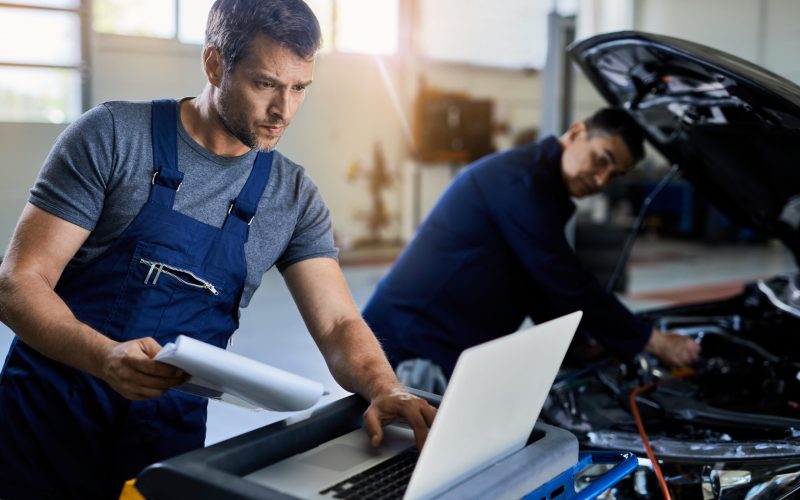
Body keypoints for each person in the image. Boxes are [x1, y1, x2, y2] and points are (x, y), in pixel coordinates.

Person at [0, 1, 435, 498]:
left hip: (165, 446)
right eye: (266, 84)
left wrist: (385, 386)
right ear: (213, 64)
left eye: (299, 88)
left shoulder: (292, 197)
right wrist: (103, 357)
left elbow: (337, 323)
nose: (284, 110)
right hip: (46, 427)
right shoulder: (114, 136)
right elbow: (18, 283)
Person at [362, 108, 701, 384]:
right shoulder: (519, 181)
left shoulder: (544, 189)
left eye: (614, 174)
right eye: (601, 159)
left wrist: (579, 344)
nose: (601, 180)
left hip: (441, 343)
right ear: (577, 132)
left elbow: (535, 284)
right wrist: (650, 340)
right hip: (404, 345)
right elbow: (563, 278)